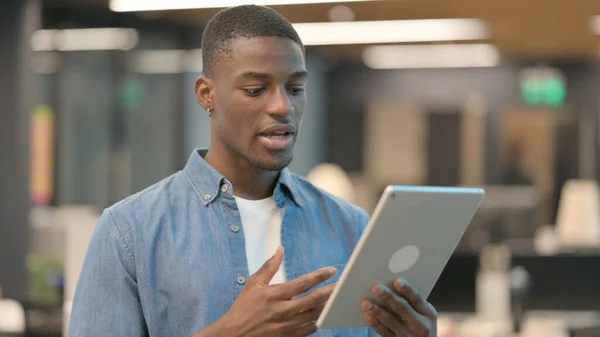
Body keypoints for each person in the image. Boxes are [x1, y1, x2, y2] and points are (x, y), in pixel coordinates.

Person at [68, 5, 437, 337]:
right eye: (256, 89)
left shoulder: (352, 226)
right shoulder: (131, 232)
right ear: (206, 94)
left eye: (295, 88)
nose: (283, 106)